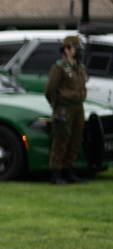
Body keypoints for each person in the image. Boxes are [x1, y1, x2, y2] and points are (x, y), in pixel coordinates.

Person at [45, 35, 88, 185]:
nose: (78, 52)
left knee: (75, 141)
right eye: (76, 48)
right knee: (61, 141)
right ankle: (56, 174)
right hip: (64, 107)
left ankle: (71, 172)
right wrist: (57, 105)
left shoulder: (80, 66)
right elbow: (50, 89)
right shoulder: (60, 67)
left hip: (78, 107)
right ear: (67, 49)